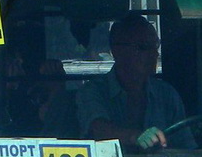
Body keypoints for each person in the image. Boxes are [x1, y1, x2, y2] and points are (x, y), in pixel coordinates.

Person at [80, 12, 187, 149]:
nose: (154, 53)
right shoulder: (93, 91)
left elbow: (186, 145)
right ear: (117, 50)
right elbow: (99, 130)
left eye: (155, 46)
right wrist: (134, 137)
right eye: (143, 47)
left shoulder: (167, 94)